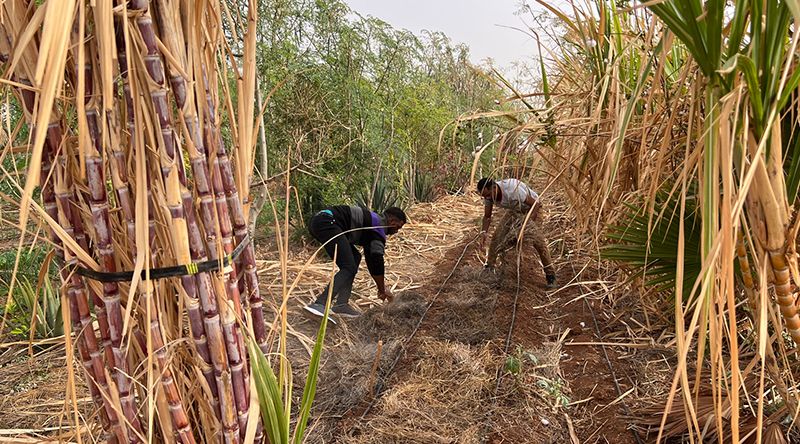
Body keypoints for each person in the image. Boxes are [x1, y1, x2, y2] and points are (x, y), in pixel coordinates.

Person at [304, 205, 407, 322]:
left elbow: (371, 261)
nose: (396, 231)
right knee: (348, 267)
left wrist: (381, 288)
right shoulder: (378, 227)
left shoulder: (373, 224)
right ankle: (320, 304)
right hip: (327, 222)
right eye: (398, 227)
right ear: (392, 221)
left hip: (321, 221)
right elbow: (377, 260)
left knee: (355, 257)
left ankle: (341, 305)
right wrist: (381, 289)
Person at [477, 177, 557, 288]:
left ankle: (550, 275)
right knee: (498, 236)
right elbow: (487, 216)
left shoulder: (512, 190)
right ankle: (490, 267)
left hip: (533, 209)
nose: (487, 198)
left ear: (494, 187)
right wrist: (483, 233)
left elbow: (535, 204)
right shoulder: (488, 196)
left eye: (488, 195)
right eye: (484, 196)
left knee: (538, 242)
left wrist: (527, 225)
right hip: (515, 209)